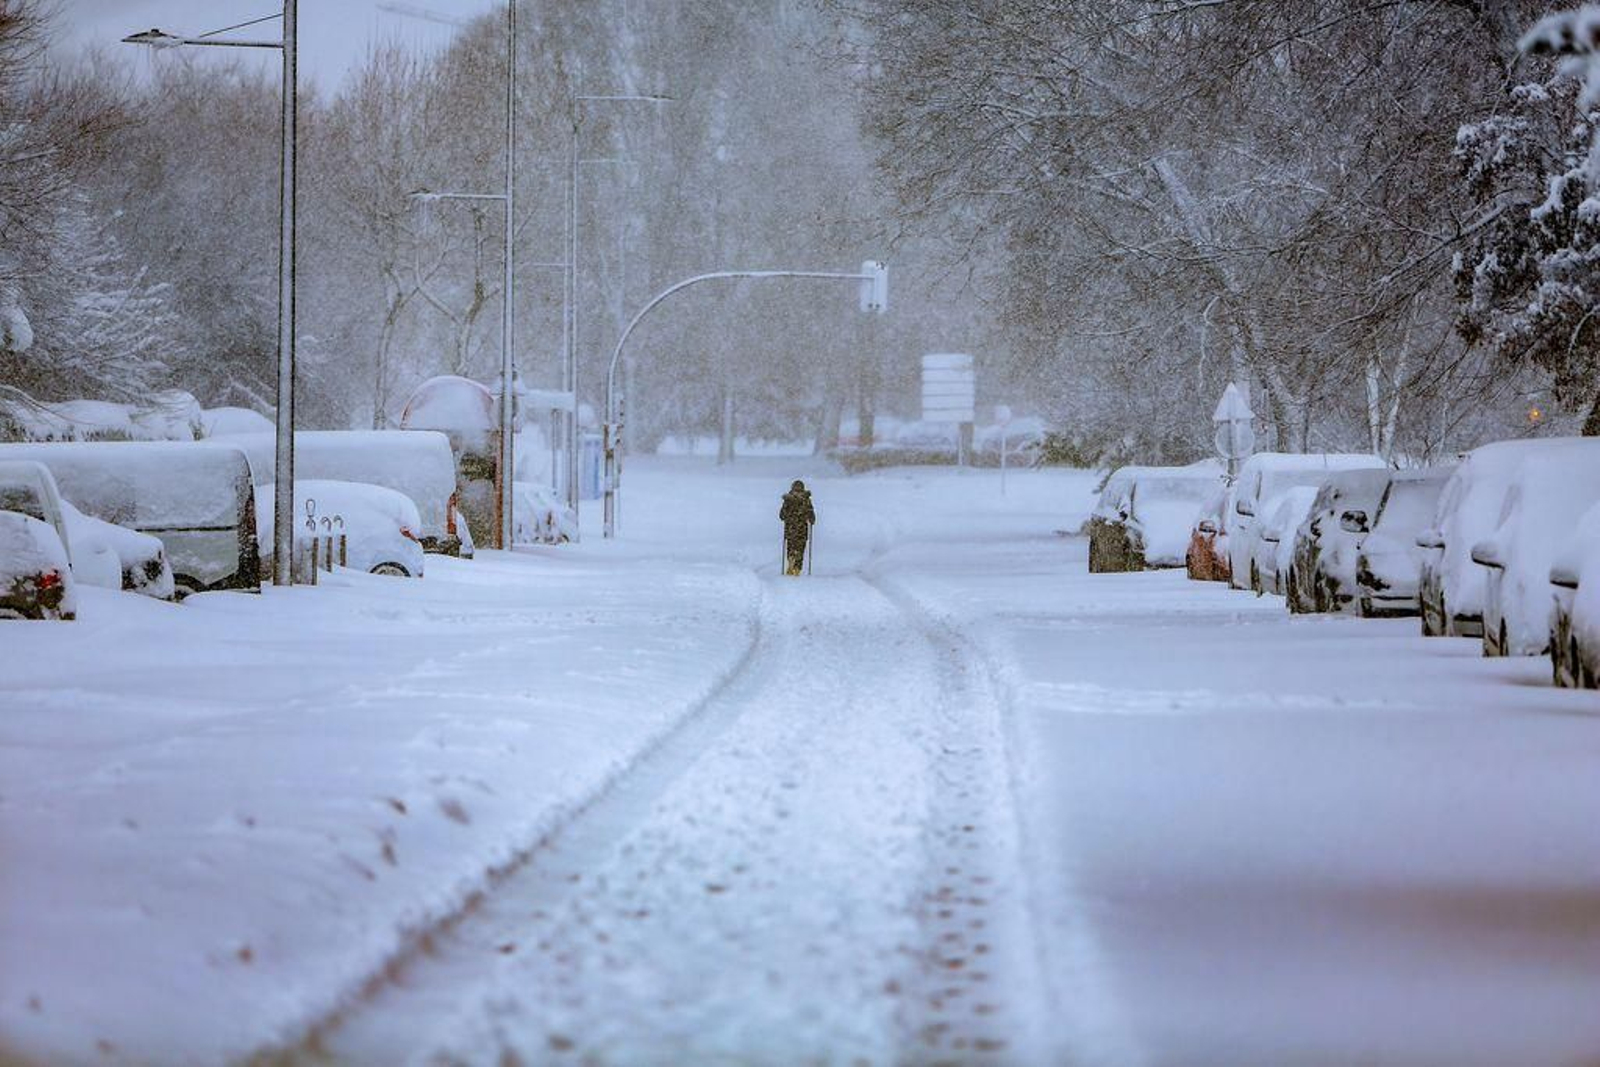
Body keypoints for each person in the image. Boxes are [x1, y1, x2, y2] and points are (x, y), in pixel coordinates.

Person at [779, 479, 815, 575]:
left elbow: (781, 515)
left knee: (790, 547)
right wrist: (811, 520)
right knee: (800, 549)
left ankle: (791, 559)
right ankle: (797, 568)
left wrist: (787, 516)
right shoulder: (806, 500)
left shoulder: (788, 500)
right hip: (802, 529)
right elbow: (811, 515)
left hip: (790, 529)